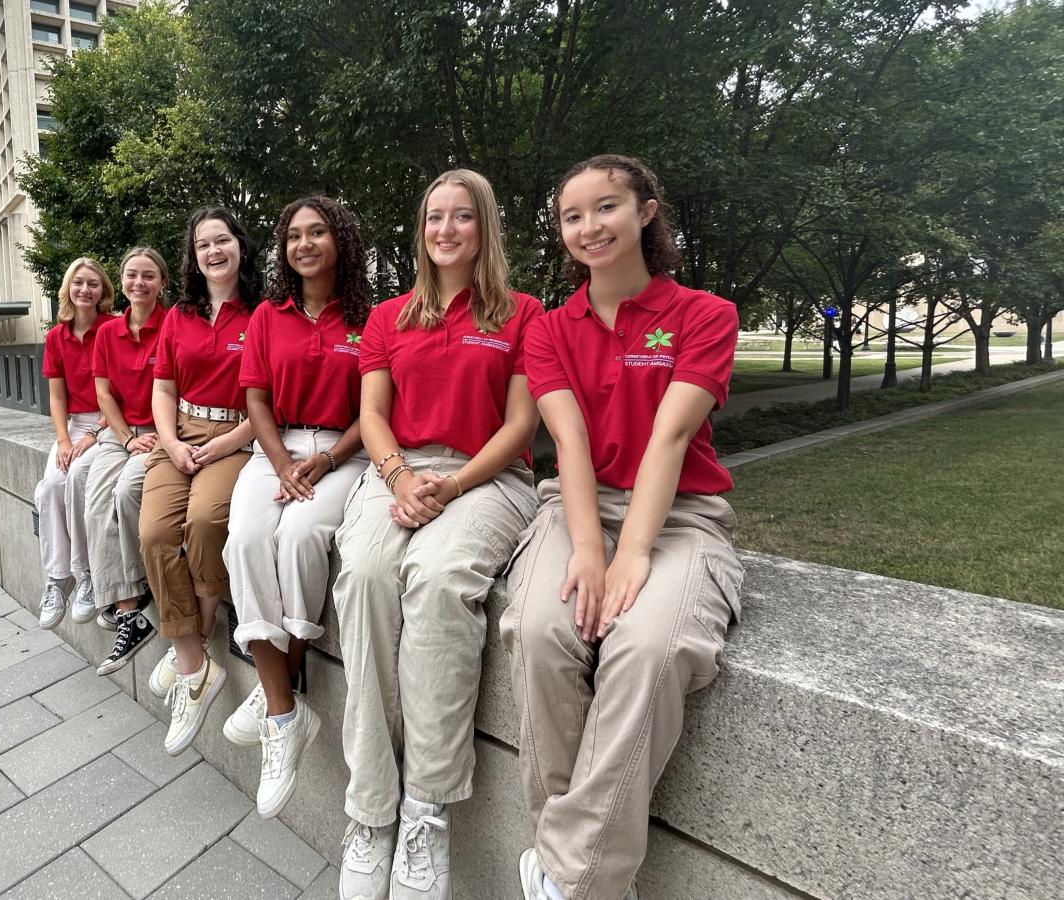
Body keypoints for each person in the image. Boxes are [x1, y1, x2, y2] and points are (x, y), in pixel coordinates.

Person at [501, 155, 743, 900]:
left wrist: (633, 551)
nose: (588, 227)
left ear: (644, 210)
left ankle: (564, 874)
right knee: (542, 629)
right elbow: (568, 445)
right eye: (572, 216)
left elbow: (670, 440)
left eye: (604, 207)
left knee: (651, 646)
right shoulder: (548, 327)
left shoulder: (704, 315)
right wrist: (589, 550)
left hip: (679, 514)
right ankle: (581, 870)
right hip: (576, 506)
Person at [334, 170, 543, 900]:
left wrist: (451, 487)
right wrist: (397, 479)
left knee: (439, 579)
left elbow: (522, 425)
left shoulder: (521, 314)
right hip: (397, 468)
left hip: (487, 477)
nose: (446, 230)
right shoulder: (390, 317)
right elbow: (372, 415)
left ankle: (425, 811)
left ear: (484, 227)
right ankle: (369, 810)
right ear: (420, 230)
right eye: (433, 218)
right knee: (362, 574)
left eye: (461, 217)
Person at [222, 196, 373, 818]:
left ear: (340, 239)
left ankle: (272, 687)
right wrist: (282, 462)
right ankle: (284, 712)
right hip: (276, 447)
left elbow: (376, 412)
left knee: (303, 536)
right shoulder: (267, 316)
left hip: (345, 452)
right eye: (292, 236)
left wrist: (327, 461)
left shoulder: (372, 317)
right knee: (247, 537)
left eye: (317, 233)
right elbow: (255, 399)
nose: (304, 244)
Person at [140, 207, 263, 755]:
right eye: (202, 245)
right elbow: (162, 388)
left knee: (207, 521)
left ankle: (188, 634)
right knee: (154, 534)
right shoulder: (179, 315)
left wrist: (223, 444)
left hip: (237, 435)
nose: (213, 252)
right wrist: (169, 442)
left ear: (240, 245)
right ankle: (195, 667)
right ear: (192, 256)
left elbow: (271, 401)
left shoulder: (263, 313)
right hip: (179, 432)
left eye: (222, 240)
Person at [85, 247, 170, 674]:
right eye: (132, 275)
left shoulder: (172, 326)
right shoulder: (107, 333)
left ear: (162, 283)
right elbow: (103, 393)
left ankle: (137, 593)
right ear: (121, 281)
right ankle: (127, 608)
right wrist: (124, 437)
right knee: (95, 500)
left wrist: (157, 437)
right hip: (122, 435)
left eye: (149, 276)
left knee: (125, 493)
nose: (139, 283)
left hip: (161, 436)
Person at [35, 256, 113, 629]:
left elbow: (124, 393)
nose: (85, 290)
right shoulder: (56, 337)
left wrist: (94, 433)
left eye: (93, 284)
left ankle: (87, 575)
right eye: (79, 283)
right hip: (75, 426)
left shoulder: (114, 329)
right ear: (68, 289)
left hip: (109, 422)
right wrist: (63, 440)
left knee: (79, 479)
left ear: (103, 291)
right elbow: (56, 398)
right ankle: (56, 577)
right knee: (52, 484)